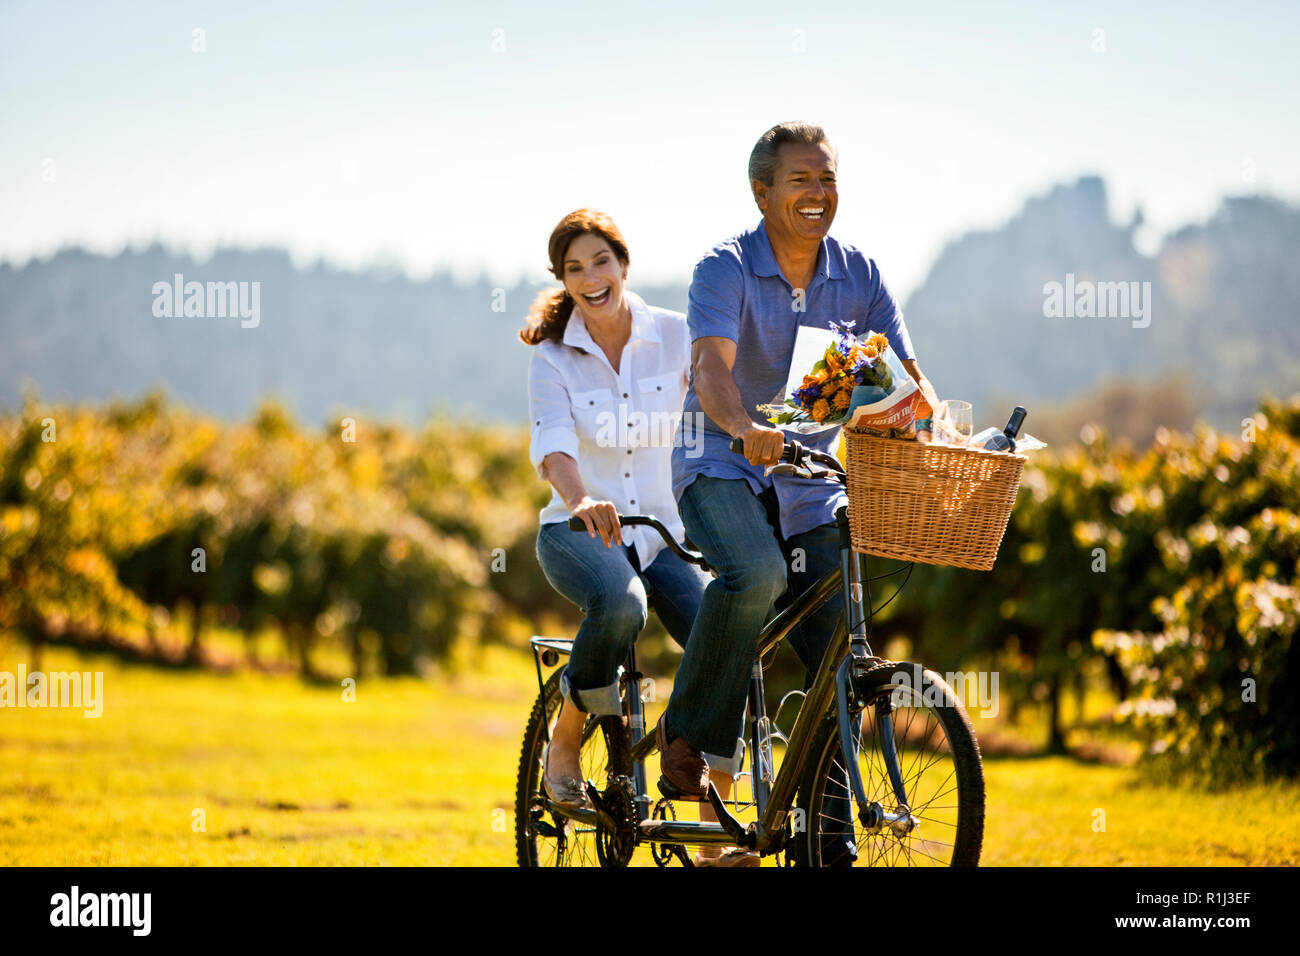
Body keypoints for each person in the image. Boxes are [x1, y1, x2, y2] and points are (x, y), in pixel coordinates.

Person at [658, 122, 945, 863]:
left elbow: (909, 379)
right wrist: (744, 425)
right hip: (720, 460)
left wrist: (930, 429)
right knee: (751, 572)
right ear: (762, 192)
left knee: (836, 659)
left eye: (828, 179)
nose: (819, 194)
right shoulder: (723, 269)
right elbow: (709, 370)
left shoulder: (862, 275)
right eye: (800, 181)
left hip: (811, 479)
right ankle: (689, 733)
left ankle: (830, 843)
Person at [522, 208, 756, 866]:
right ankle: (565, 738)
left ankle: (713, 833)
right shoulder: (552, 355)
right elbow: (554, 446)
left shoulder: (676, 336)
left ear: (623, 264)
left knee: (731, 636)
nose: (591, 277)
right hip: (578, 532)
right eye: (574, 269)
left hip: (666, 535)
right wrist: (581, 497)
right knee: (623, 605)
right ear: (563, 282)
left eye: (600, 261)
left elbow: (720, 397)